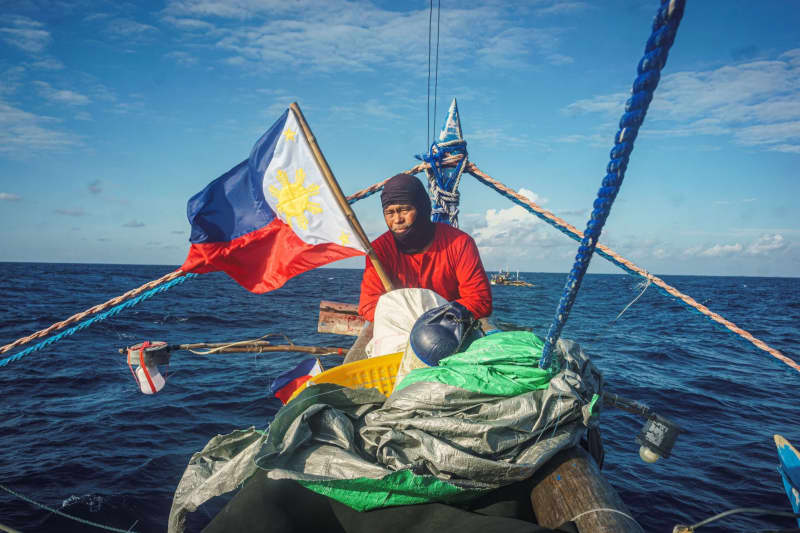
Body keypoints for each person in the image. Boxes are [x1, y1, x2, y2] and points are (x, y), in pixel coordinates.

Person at [358, 173, 492, 324]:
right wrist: (406, 320)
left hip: (450, 327)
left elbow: (479, 299)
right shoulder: (378, 250)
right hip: (399, 327)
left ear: (422, 208)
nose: (397, 219)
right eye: (389, 213)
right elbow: (368, 305)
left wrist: (432, 321)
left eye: (404, 210)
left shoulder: (460, 243)